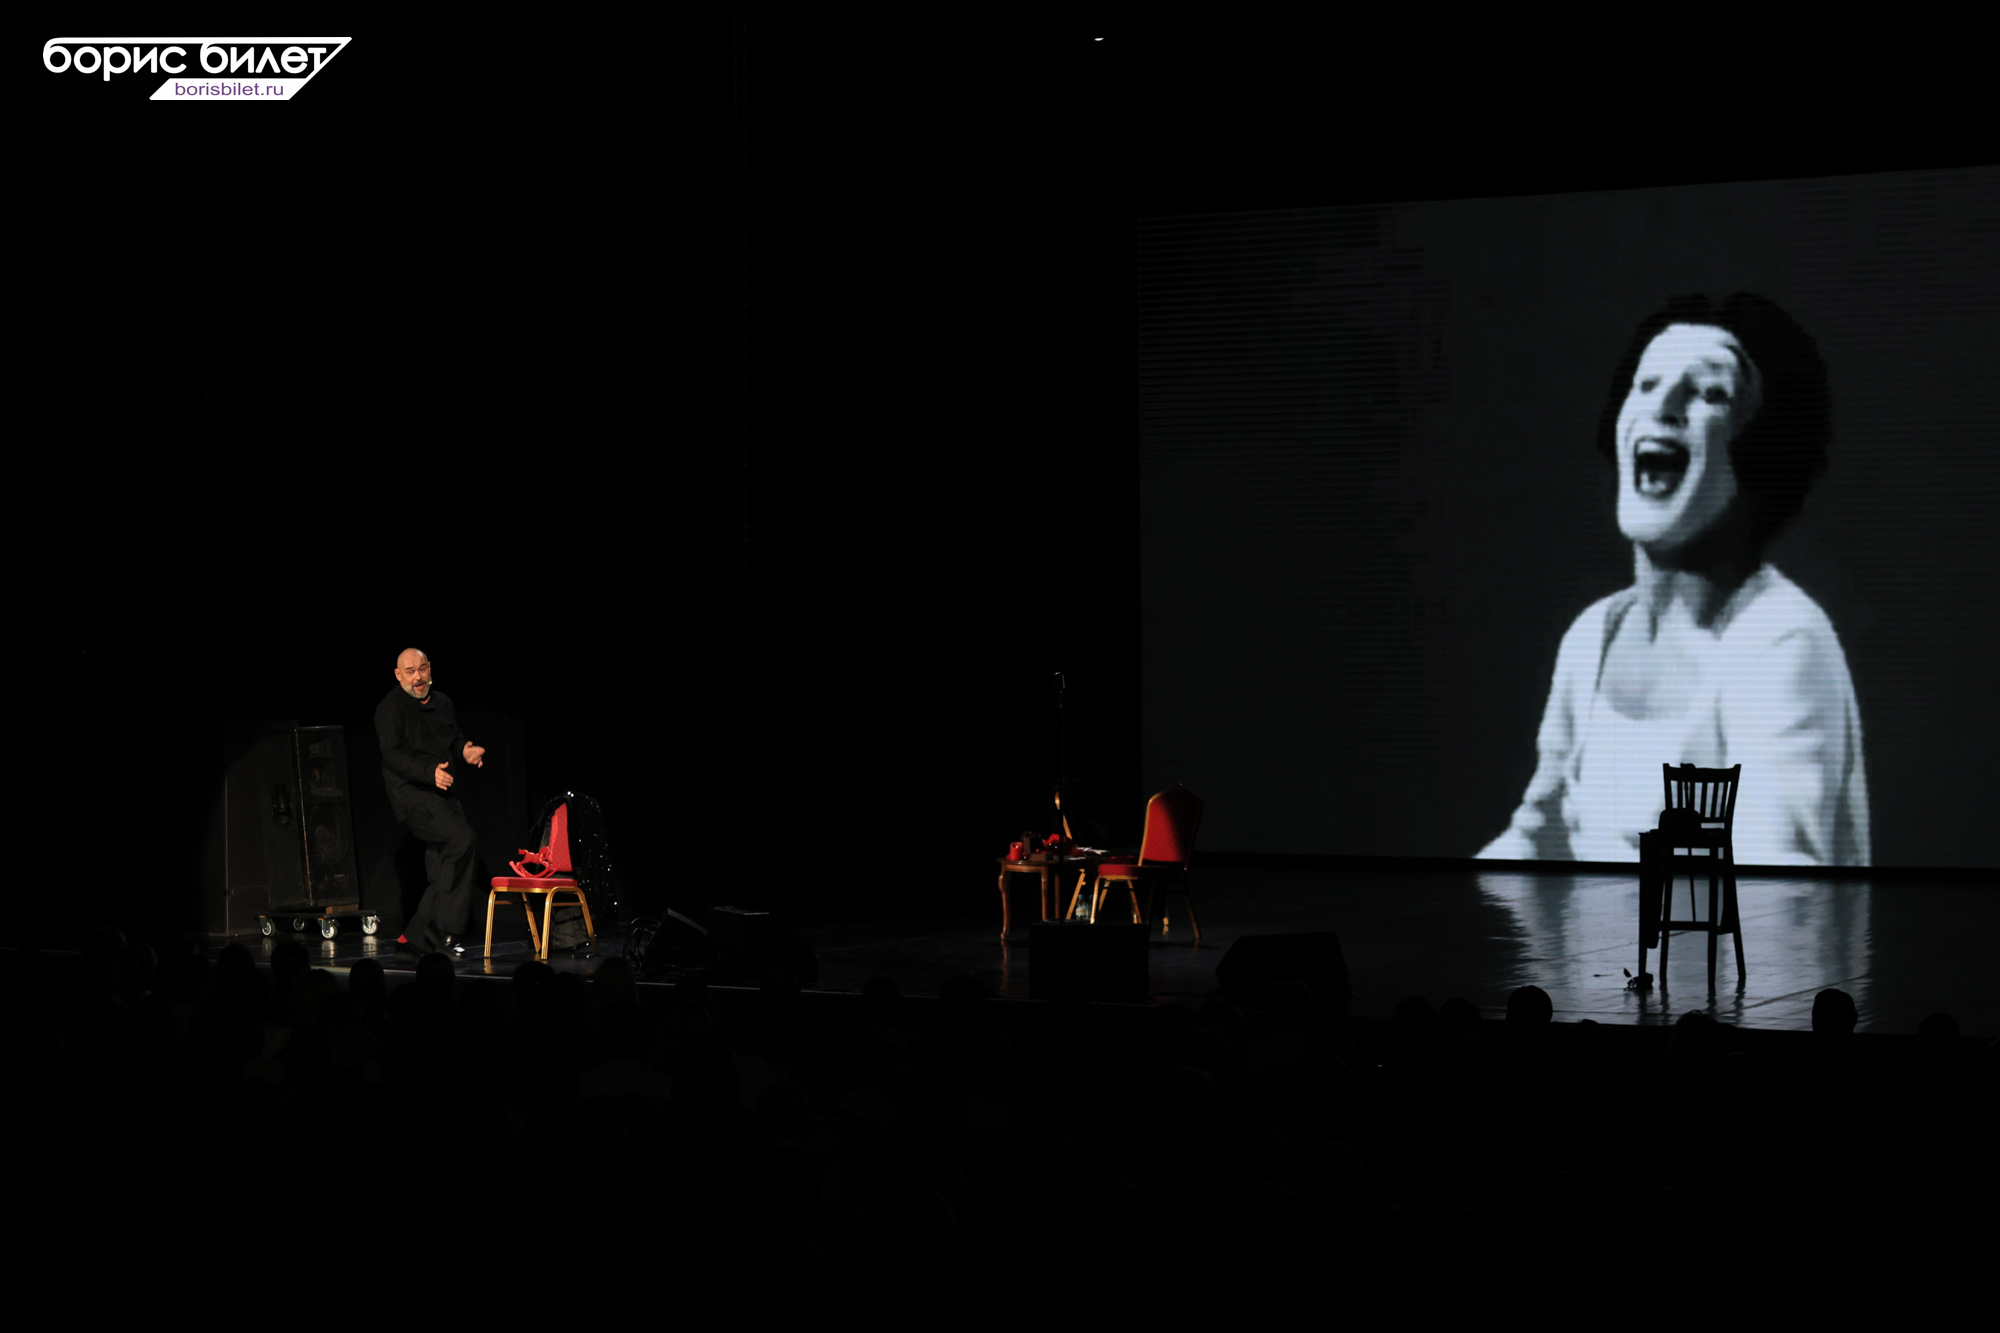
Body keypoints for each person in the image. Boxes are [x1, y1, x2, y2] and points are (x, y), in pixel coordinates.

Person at [1480, 294, 1868, 867]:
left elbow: (1781, 891)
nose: (1661, 406)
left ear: (1754, 453)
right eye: (1646, 385)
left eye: (1708, 393)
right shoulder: (1592, 635)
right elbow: (1538, 836)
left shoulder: (1782, 641)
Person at [376, 647, 487, 956]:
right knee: (462, 840)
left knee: (442, 868)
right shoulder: (390, 708)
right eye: (410, 672)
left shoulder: (443, 703)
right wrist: (428, 772)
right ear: (398, 676)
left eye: (422, 669)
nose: (418, 677)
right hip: (411, 793)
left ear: (429, 669)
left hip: (442, 791)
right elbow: (392, 755)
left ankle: (414, 938)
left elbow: (453, 739)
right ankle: (445, 929)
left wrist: (465, 750)